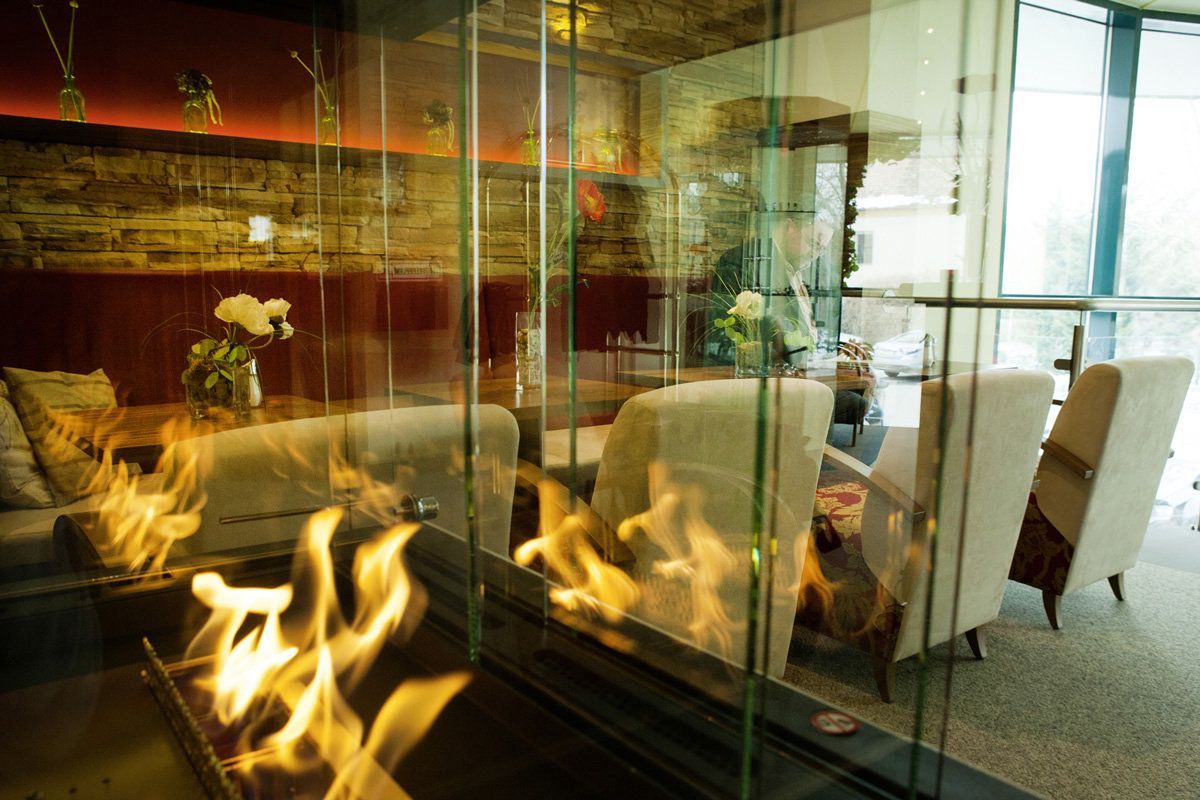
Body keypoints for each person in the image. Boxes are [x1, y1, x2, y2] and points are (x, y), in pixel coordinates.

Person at [708, 212, 871, 429]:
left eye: (822, 248)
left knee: (862, 388)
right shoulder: (746, 261)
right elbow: (732, 332)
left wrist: (838, 355)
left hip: (802, 370)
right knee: (855, 404)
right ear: (789, 227)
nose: (816, 253)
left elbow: (811, 332)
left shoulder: (810, 272)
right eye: (813, 243)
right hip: (768, 378)